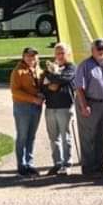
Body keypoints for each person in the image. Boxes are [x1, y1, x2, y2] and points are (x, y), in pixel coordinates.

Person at [74, 39, 103, 176]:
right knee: (88, 136)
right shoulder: (85, 65)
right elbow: (79, 88)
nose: (101, 51)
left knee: (102, 136)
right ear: (92, 50)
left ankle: (99, 165)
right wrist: (83, 105)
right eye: (98, 48)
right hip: (90, 104)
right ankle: (88, 168)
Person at [40, 42, 76, 176]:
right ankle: (57, 163)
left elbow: (64, 79)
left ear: (67, 54)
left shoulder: (71, 67)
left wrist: (52, 79)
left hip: (64, 106)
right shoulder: (49, 68)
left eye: (62, 53)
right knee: (53, 137)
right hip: (50, 107)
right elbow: (42, 86)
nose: (60, 56)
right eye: (57, 53)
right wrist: (50, 85)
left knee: (65, 136)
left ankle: (67, 164)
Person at [10, 46, 44, 177]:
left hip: (36, 107)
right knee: (22, 136)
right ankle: (21, 165)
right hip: (22, 107)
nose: (31, 58)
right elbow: (15, 91)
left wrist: (41, 95)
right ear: (23, 57)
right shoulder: (18, 72)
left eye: (34, 56)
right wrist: (33, 99)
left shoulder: (39, 70)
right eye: (29, 56)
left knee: (31, 136)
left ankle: (29, 163)